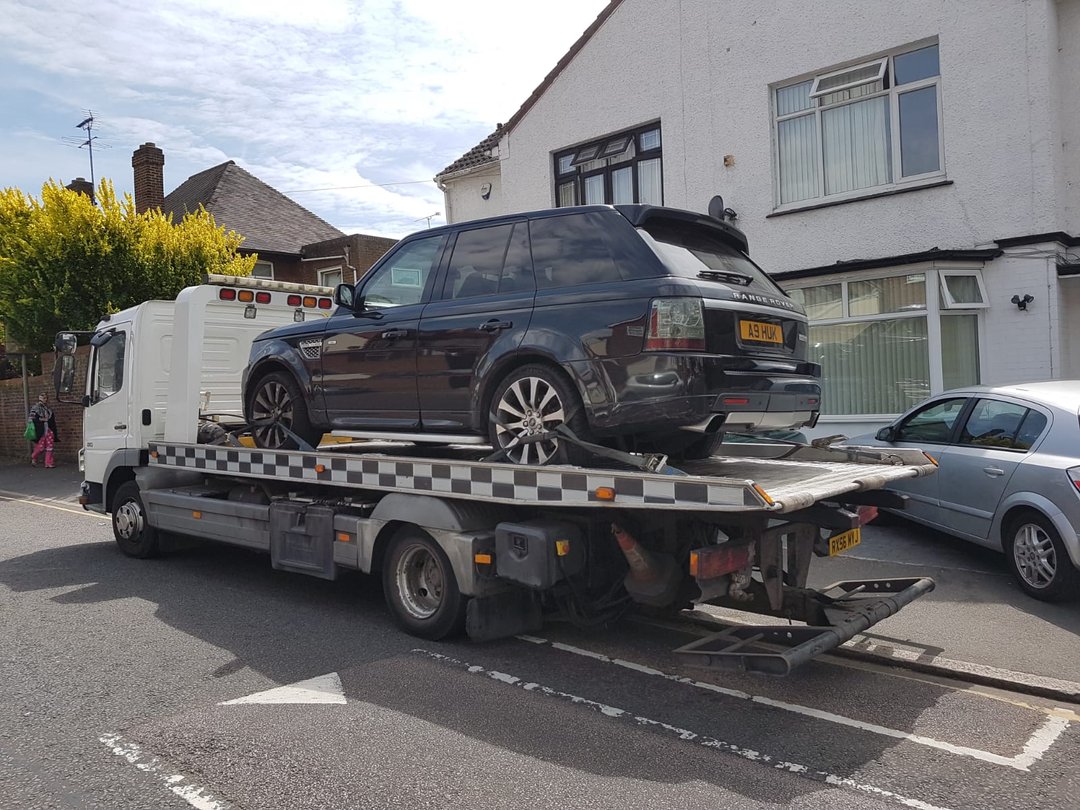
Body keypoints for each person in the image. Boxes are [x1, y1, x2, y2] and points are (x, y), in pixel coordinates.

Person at [29, 393, 59, 468]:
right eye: (43, 398)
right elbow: (32, 418)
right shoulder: (35, 408)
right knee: (41, 447)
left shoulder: (49, 409)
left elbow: (52, 420)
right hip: (41, 430)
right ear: (39, 398)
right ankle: (34, 456)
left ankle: (48, 463)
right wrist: (41, 419)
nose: (45, 399)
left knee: (50, 446)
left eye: (46, 398)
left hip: (49, 429)